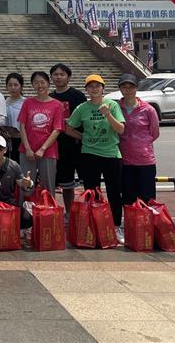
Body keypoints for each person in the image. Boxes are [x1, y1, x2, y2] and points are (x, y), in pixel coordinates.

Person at [65, 74, 126, 243]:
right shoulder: (82, 108)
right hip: (90, 154)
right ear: (87, 90)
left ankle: (115, 226)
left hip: (111, 154)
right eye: (91, 86)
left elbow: (121, 129)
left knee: (114, 192)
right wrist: (83, 137)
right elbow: (68, 128)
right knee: (92, 192)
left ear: (103, 88)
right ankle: (95, 225)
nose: (94, 89)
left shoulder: (112, 105)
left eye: (97, 86)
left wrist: (108, 114)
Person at [116, 74, 160, 205]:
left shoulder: (148, 109)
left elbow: (154, 133)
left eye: (131, 87)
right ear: (120, 89)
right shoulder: (116, 108)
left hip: (145, 161)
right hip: (124, 160)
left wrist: (142, 144)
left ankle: (146, 219)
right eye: (124, 87)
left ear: (136, 88)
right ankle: (131, 219)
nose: (128, 90)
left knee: (147, 199)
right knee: (128, 198)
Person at [49, 63, 87, 211]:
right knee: (66, 182)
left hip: (78, 143)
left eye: (62, 74)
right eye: (55, 74)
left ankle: (89, 211)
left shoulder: (77, 95)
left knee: (87, 181)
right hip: (59, 145)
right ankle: (69, 213)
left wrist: (70, 122)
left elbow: (85, 118)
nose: (58, 77)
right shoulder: (50, 97)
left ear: (68, 77)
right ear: (51, 77)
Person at [17, 71, 63, 192]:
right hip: (27, 151)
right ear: (32, 84)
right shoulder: (27, 102)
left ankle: (48, 206)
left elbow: (57, 129)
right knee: (26, 185)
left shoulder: (57, 105)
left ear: (48, 83)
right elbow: (22, 125)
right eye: (36, 82)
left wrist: (42, 149)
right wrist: (27, 148)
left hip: (48, 150)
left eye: (42, 82)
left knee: (48, 187)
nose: (40, 85)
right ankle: (25, 206)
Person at [4, 73, 26, 161]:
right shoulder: (3, 101)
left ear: (21, 86)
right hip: (5, 139)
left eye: (16, 85)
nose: (13, 88)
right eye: (10, 85)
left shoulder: (26, 103)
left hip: (21, 140)